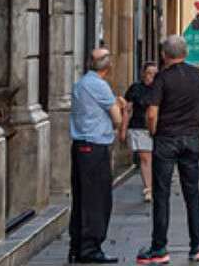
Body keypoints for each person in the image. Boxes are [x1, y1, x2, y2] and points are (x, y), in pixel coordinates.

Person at [138, 35, 199, 265]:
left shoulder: (162, 78)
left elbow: (151, 113)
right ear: (185, 53)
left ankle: (160, 248)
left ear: (164, 55)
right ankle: (197, 246)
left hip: (167, 139)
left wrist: (153, 131)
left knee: (162, 194)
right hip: (190, 139)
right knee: (192, 194)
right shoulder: (198, 76)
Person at [69, 47, 126, 264]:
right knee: (97, 199)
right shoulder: (99, 86)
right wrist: (120, 106)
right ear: (108, 66)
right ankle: (90, 248)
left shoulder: (81, 83)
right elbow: (117, 119)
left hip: (81, 146)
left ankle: (77, 246)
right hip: (94, 147)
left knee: (82, 198)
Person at [124, 62, 159, 202]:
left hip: (158, 127)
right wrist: (123, 129)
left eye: (155, 73)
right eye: (150, 72)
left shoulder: (160, 88)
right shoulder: (135, 88)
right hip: (139, 127)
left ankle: (155, 185)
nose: (152, 76)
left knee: (155, 159)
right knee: (145, 158)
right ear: (143, 73)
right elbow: (127, 109)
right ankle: (148, 189)